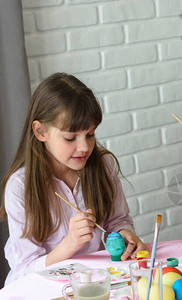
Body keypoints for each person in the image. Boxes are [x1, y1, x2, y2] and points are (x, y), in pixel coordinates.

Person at [0, 73, 147, 285]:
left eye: (90, 134)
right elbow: (25, 270)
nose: (85, 147)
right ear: (40, 131)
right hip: (42, 288)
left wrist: (124, 234)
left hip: (94, 282)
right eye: (70, 137)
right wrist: (70, 243)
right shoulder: (20, 187)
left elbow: (117, 221)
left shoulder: (103, 166)